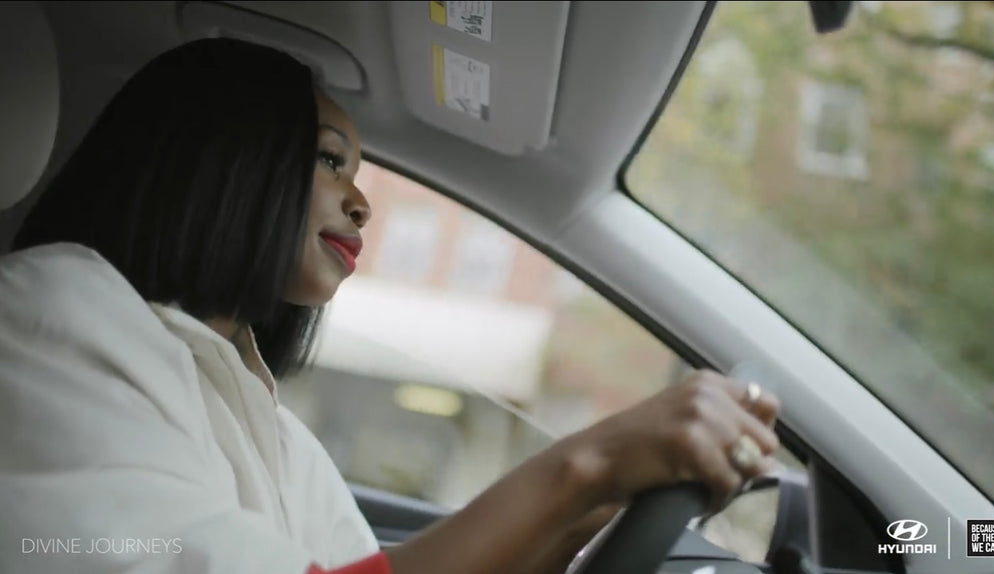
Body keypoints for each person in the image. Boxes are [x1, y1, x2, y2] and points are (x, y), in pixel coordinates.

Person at [0, 38, 780, 574]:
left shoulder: (267, 422)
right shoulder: (49, 307)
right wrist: (585, 467)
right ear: (222, 159)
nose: (362, 203)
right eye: (328, 159)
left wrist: (582, 514)